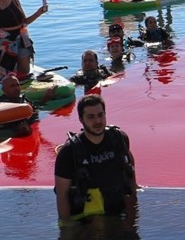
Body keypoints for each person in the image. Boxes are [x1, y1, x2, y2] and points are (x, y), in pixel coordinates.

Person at [54, 95, 138, 223]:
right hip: (86, 219)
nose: (97, 121)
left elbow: (129, 164)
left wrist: (134, 209)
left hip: (118, 212)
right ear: (81, 119)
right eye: (91, 117)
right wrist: (66, 228)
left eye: (100, 115)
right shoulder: (68, 152)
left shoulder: (119, 139)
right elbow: (62, 195)